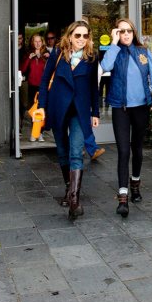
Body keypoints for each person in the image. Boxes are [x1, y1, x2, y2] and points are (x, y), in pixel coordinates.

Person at [100, 18, 152, 218]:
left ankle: (135, 184)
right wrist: (112, 43)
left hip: (141, 108)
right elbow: (105, 67)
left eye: (128, 30)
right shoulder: (113, 51)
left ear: (133, 32)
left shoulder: (143, 52)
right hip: (121, 108)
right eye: (121, 31)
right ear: (116, 33)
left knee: (137, 150)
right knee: (123, 151)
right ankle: (122, 197)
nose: (125, 34)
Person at [37, 21, 100, 220]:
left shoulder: (91, 58)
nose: (82, 39)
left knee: (75, 151)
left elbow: (94, 88)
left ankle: (74, 200)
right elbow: (45, 79)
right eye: (78, 35)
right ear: (70, 36)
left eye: (85, 36)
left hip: (79, 112)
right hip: (58, 108)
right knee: (62, 152)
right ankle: (68, 187)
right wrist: (41, 106)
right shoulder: (57, 54)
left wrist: (95, 112)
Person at [24, 33, 48, 141]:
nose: (38, 43)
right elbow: (23, 69)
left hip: (43, 86)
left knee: (42, 109)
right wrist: (29, 58)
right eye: (35, 41)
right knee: (33, 110)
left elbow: (50, 70)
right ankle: (34, 133)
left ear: (42, 42)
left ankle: (40, 133)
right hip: (32, 86)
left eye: (39, 41)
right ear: (32, 43)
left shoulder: (46, 54)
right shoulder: (29, 54)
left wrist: (44, 58)